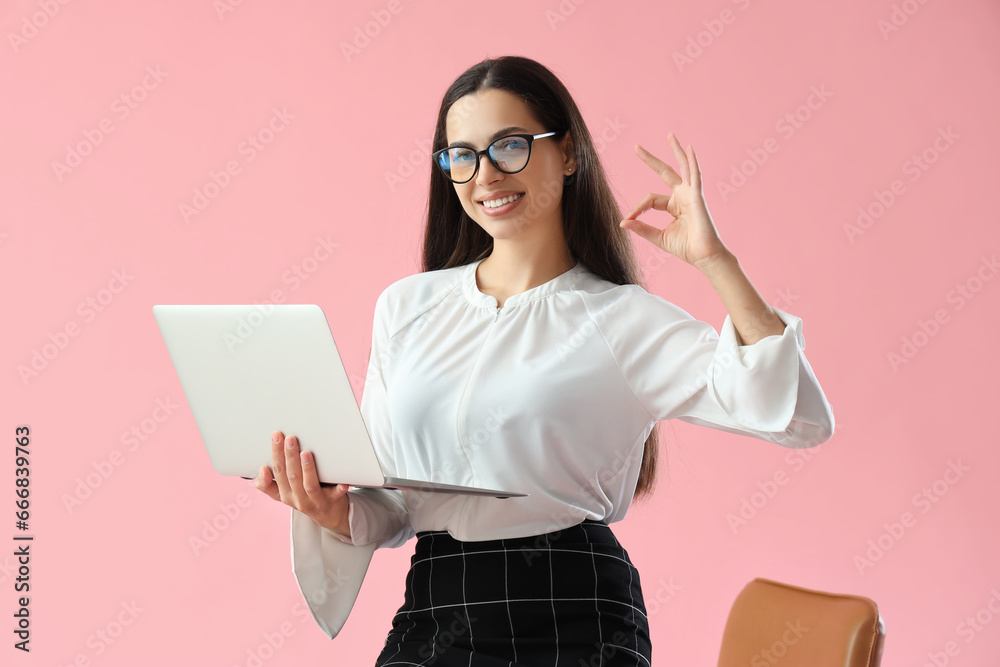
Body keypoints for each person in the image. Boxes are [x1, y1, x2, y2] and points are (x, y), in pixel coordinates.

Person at [252, 55, 835, 666]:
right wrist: (333, 510)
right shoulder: (407, 306)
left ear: (570, 153)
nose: (486, 176)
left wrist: (716, 262)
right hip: (435, 607)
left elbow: (797, 419)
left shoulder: (620, 318)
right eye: (463, 155)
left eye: (509, 146)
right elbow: (396, 503)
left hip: (572, 611)